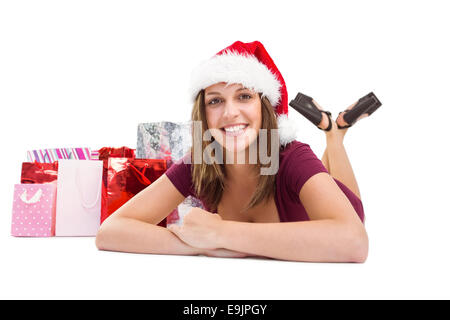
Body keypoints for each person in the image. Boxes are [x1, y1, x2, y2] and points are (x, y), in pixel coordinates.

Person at [96, 41, 371, 263]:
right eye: (215, 101)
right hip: (308, 194)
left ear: (264, 108)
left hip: (345, 210)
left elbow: (354, 241)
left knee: (349, 196)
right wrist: (200, 246)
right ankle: (333, 130)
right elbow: (110, 231)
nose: (229, 113)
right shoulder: (199, 163)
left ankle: (335, 134)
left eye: (244, 96)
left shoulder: (292, 157)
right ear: (203, 114)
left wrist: (221, 232)